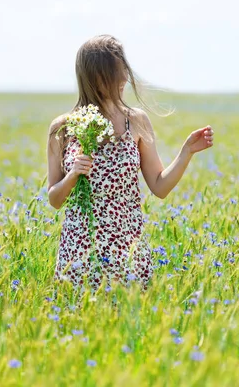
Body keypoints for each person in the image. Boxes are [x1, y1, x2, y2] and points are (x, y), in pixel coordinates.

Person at [47, 35, 214, 292]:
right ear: (95, 77)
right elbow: (55, 199)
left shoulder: (136, 121)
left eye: (123, 70)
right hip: (79, 255)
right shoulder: (63, 128)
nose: (124, 78)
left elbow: (159, 186)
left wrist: (187, 152)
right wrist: (73, 176)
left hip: (128, 253)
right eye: (116, 73)